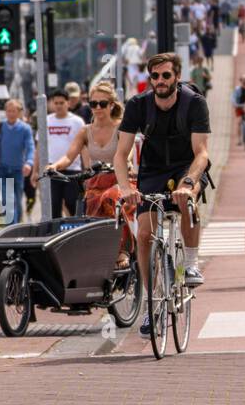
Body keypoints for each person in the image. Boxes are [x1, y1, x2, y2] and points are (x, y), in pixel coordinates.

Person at [115, 53, 212, 338]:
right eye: (154, 77)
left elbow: (202, 153)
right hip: (153, 170)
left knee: (187, 200)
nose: (160, 81)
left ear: (177, 77)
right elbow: (120, 155)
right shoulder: (137, 106)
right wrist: (126, 189)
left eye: (166, 76)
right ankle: (150, 303)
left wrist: (189, 183)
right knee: (144, 235)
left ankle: (191, 263)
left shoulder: (194, 104)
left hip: (186, 166)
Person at [45, 82, 135, 267]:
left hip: (121, 181)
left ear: (112, 105)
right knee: (89, 215)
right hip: (95, 183)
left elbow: (127, 152)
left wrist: (124, 162)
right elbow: (69, 156)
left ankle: (123, 249)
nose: (97, 108)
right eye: (93, 104)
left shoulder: (122, 128)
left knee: (112, 198)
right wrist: (54, 166)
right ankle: (98, 252)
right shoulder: (85, 131)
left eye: (102, 104)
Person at [0, 97, 35, 224]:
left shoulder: (25, 129)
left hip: (18, 169)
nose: (11, 114)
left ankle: (16, 225)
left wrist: (29, 163)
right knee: (7, 197)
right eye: (8, 111)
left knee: (17, 199)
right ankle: (11, 226)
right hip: (0, 168)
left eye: (14, 111)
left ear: (19, 112)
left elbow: (30, 147)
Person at [41, 89, 86, 217]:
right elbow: (40, 146)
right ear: (52, 104)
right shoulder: (46, 121)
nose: (59, 106)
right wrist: (35, 170)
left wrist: (87, 168)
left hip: (73, 169)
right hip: (52, 169)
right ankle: (55, 233)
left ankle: (76, 229)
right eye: (56, 103)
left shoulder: (77, 121)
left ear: (68, 103)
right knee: (54, 204)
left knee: (72, 203)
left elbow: (83, 146)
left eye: (62, 103)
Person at [232, 74, 245, 148]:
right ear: (241, 80)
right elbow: (233, 97)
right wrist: (234, 104)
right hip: (239, 107)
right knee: (239, 122)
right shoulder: (237, 89)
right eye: (243, 79)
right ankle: (239, 139)